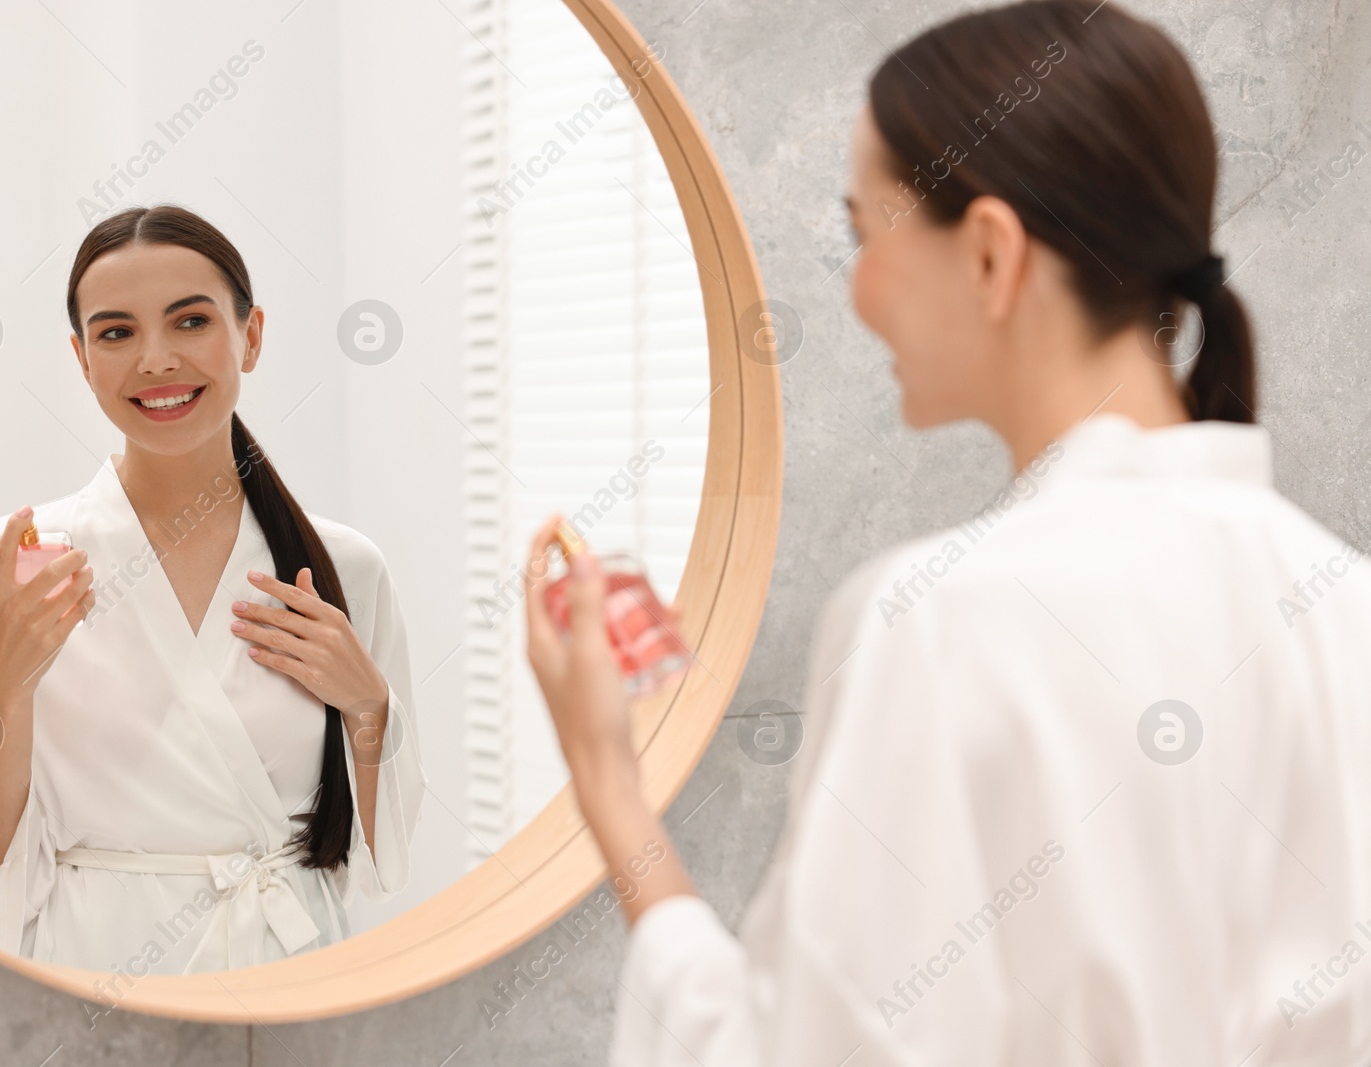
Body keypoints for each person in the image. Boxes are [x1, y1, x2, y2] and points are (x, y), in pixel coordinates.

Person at [522, 2, 1371, 1063]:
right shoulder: (1343, 607)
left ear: (987, 253)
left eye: (861, 232)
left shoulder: (939, 623)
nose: (855, 287)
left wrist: (607, 779)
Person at [0, 205, 426, 975]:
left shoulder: (342, 567)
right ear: (82, 358)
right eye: (116, 332)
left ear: (250, 335)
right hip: (96, 976)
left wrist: (369, 707)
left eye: (190, 321)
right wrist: (2, 688)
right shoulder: (7, 566)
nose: (156, 359)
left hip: (293, 974)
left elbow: (388, 859)